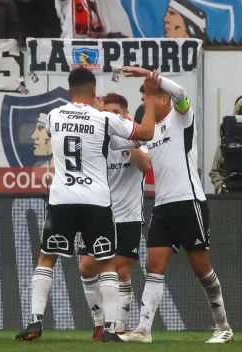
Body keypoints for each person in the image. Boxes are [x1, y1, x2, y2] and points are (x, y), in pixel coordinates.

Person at [15, 66, 157, 343]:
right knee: (106, 263)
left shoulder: (54, 116)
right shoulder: (104, 119)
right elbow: (147, 132)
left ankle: (35, 322)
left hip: (63, 198)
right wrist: (149, 97)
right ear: (95, 92)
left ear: (69, 92)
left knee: (47, 258)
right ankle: (110, 330)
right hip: (96, 201)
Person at [111, 67, 233, 344]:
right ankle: (143, 330)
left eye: (149, 98)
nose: (145, 103)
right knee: (154, 266)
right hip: (163, 207)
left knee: (201, 268)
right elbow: (132, 144)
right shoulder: (148, 133)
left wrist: (148, 75)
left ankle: (223, 326)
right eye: (144, 99)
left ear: (163, 99)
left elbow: (181, 93)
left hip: (189, 202)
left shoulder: (182, 118)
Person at [77, 93, 151, 341]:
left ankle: (116, 328)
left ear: (124, 115)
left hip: (128, 214)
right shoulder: (96, 139)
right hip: (99, 213)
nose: (109, 117)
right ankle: (99, 322)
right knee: (86, 267)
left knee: (121, 272)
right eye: (105, 112)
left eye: (115, 113)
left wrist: (131, 138)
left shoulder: (137, 138)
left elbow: (146, 167)